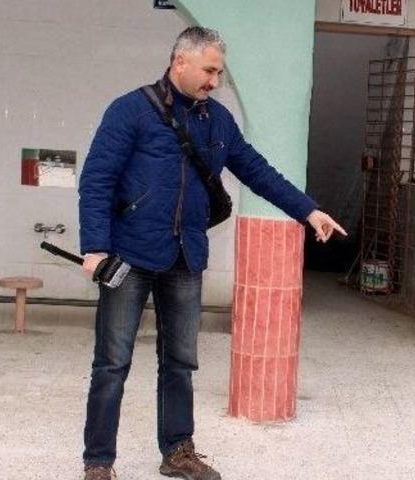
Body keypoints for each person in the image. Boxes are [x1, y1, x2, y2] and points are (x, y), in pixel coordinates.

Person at [77, 26, 345, 480]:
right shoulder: (130, 111)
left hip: (186, 257)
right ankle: (99, 462)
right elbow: (97, 179)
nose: (214, 82)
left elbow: (256, 170)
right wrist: (95, 247)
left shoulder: (218, 120)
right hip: (128, 255)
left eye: (218, 73)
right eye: (209, 71)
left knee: (180, 362)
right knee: (112, 364)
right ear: (180, 61)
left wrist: (307, 210)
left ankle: (177, 451)